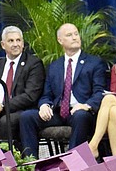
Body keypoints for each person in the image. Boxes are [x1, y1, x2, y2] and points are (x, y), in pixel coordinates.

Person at [20, 23, 107, 159]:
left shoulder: (94, 63)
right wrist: (44, 105)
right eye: (69, 35)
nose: (74, 37)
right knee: (27, 117)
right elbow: (46, 94)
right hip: (59, 112)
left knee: (80, 116)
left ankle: (71, 164)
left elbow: (99, 92)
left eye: (76, 34)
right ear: (60, 40)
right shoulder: (54, 66)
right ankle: (31, 166)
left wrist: (86, 105)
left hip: (83, 112)